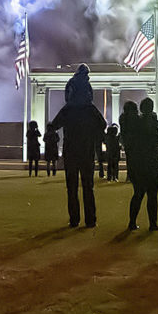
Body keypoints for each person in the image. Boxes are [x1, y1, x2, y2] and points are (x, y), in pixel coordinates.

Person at [51, 67, 105, 228]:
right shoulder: (90, 109)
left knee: (72, 187)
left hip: (71, 150)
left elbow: (54, 125)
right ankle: (91, 220)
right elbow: (103, 124)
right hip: (86, 150)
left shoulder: (68, 109)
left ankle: (74, 219)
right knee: (88, 187)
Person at [123, 95, 158, 230]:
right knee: (152, 196)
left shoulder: (135, 123)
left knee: (138, 194)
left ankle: (132, 222)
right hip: (151, 162)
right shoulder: (152, 122)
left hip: (139, 163)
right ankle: (152, 224)